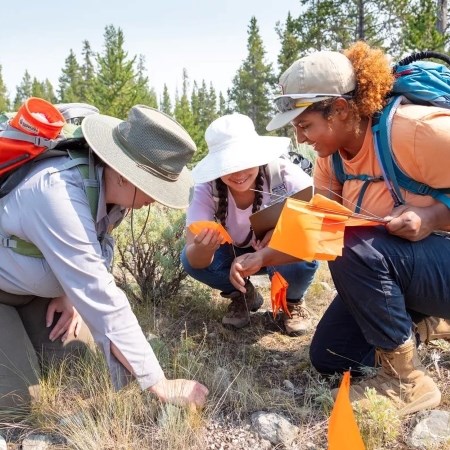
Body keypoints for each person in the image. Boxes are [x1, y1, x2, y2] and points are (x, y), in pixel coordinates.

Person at [230, 41, 450, 416]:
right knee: (332, 356)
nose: (301, 138)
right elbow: (321, 228)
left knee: (354, 244)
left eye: (306, 125)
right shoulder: (332, 160)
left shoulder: (418, 132)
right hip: (416, 274)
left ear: (341, 110)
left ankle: (406, 382)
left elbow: (348, 241)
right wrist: (262, 257)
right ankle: (428, 321)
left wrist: (431, 218)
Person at [0, 103, 208, 412]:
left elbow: (94, 254)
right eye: (156, 186)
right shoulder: (57, 192)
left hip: (32, 294)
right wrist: (158, 383)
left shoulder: (109, 192)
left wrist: (69, 294)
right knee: (13, 405)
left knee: (74, 369)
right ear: (124, 174)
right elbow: (99, 290)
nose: (158, 197)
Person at [181, 113, 318, 333]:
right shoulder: (206, 188)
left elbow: (314, 235)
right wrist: (203, 249)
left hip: (278, 253)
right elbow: (194, 260)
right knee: (187, 260)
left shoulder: (285, 176)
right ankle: (243, 295)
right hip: (231, 254)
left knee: (303, 257)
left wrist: (269, 248)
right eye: (227, 165)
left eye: (244, 161)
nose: (238, 173)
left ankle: (292, 302)